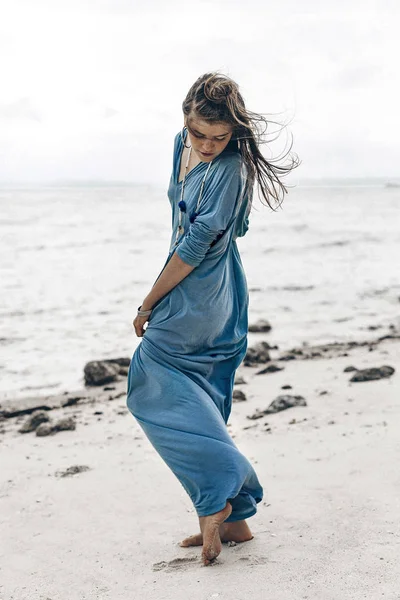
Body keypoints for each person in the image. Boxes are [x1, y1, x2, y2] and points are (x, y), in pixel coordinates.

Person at [126, 72, 299, 566]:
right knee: (198, 397)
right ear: (186, 118)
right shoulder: (181, 143)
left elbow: (196, 245)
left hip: (201, 292)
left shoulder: (230, 169)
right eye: (199, 132)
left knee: (148, 383)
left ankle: (216, 497)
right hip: (205, 288)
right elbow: (183, 224)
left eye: (220, 137)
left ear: (234, 132)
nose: (206, 145)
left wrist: (147, 303)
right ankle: (237, 520)